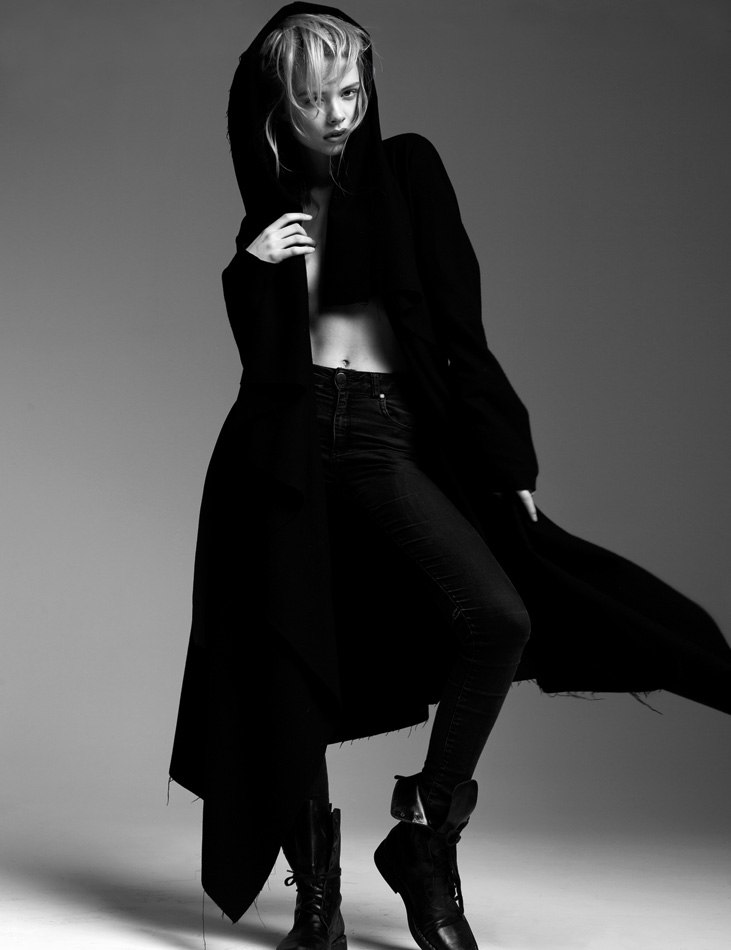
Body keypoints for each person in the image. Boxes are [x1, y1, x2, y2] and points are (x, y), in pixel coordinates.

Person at [169, 5, 731, 950]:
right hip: (280, 451)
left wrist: (505, 455)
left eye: (350, 90)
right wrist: (248, 266)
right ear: (278, 107)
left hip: (382, 436)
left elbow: (459, 328)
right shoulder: (270, 212)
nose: (338, 114)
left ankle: (424, 840)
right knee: (289, 654)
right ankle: (318, 906)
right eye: (313, 99)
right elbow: (264, 369)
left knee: (498, 614)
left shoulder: (406, 172)